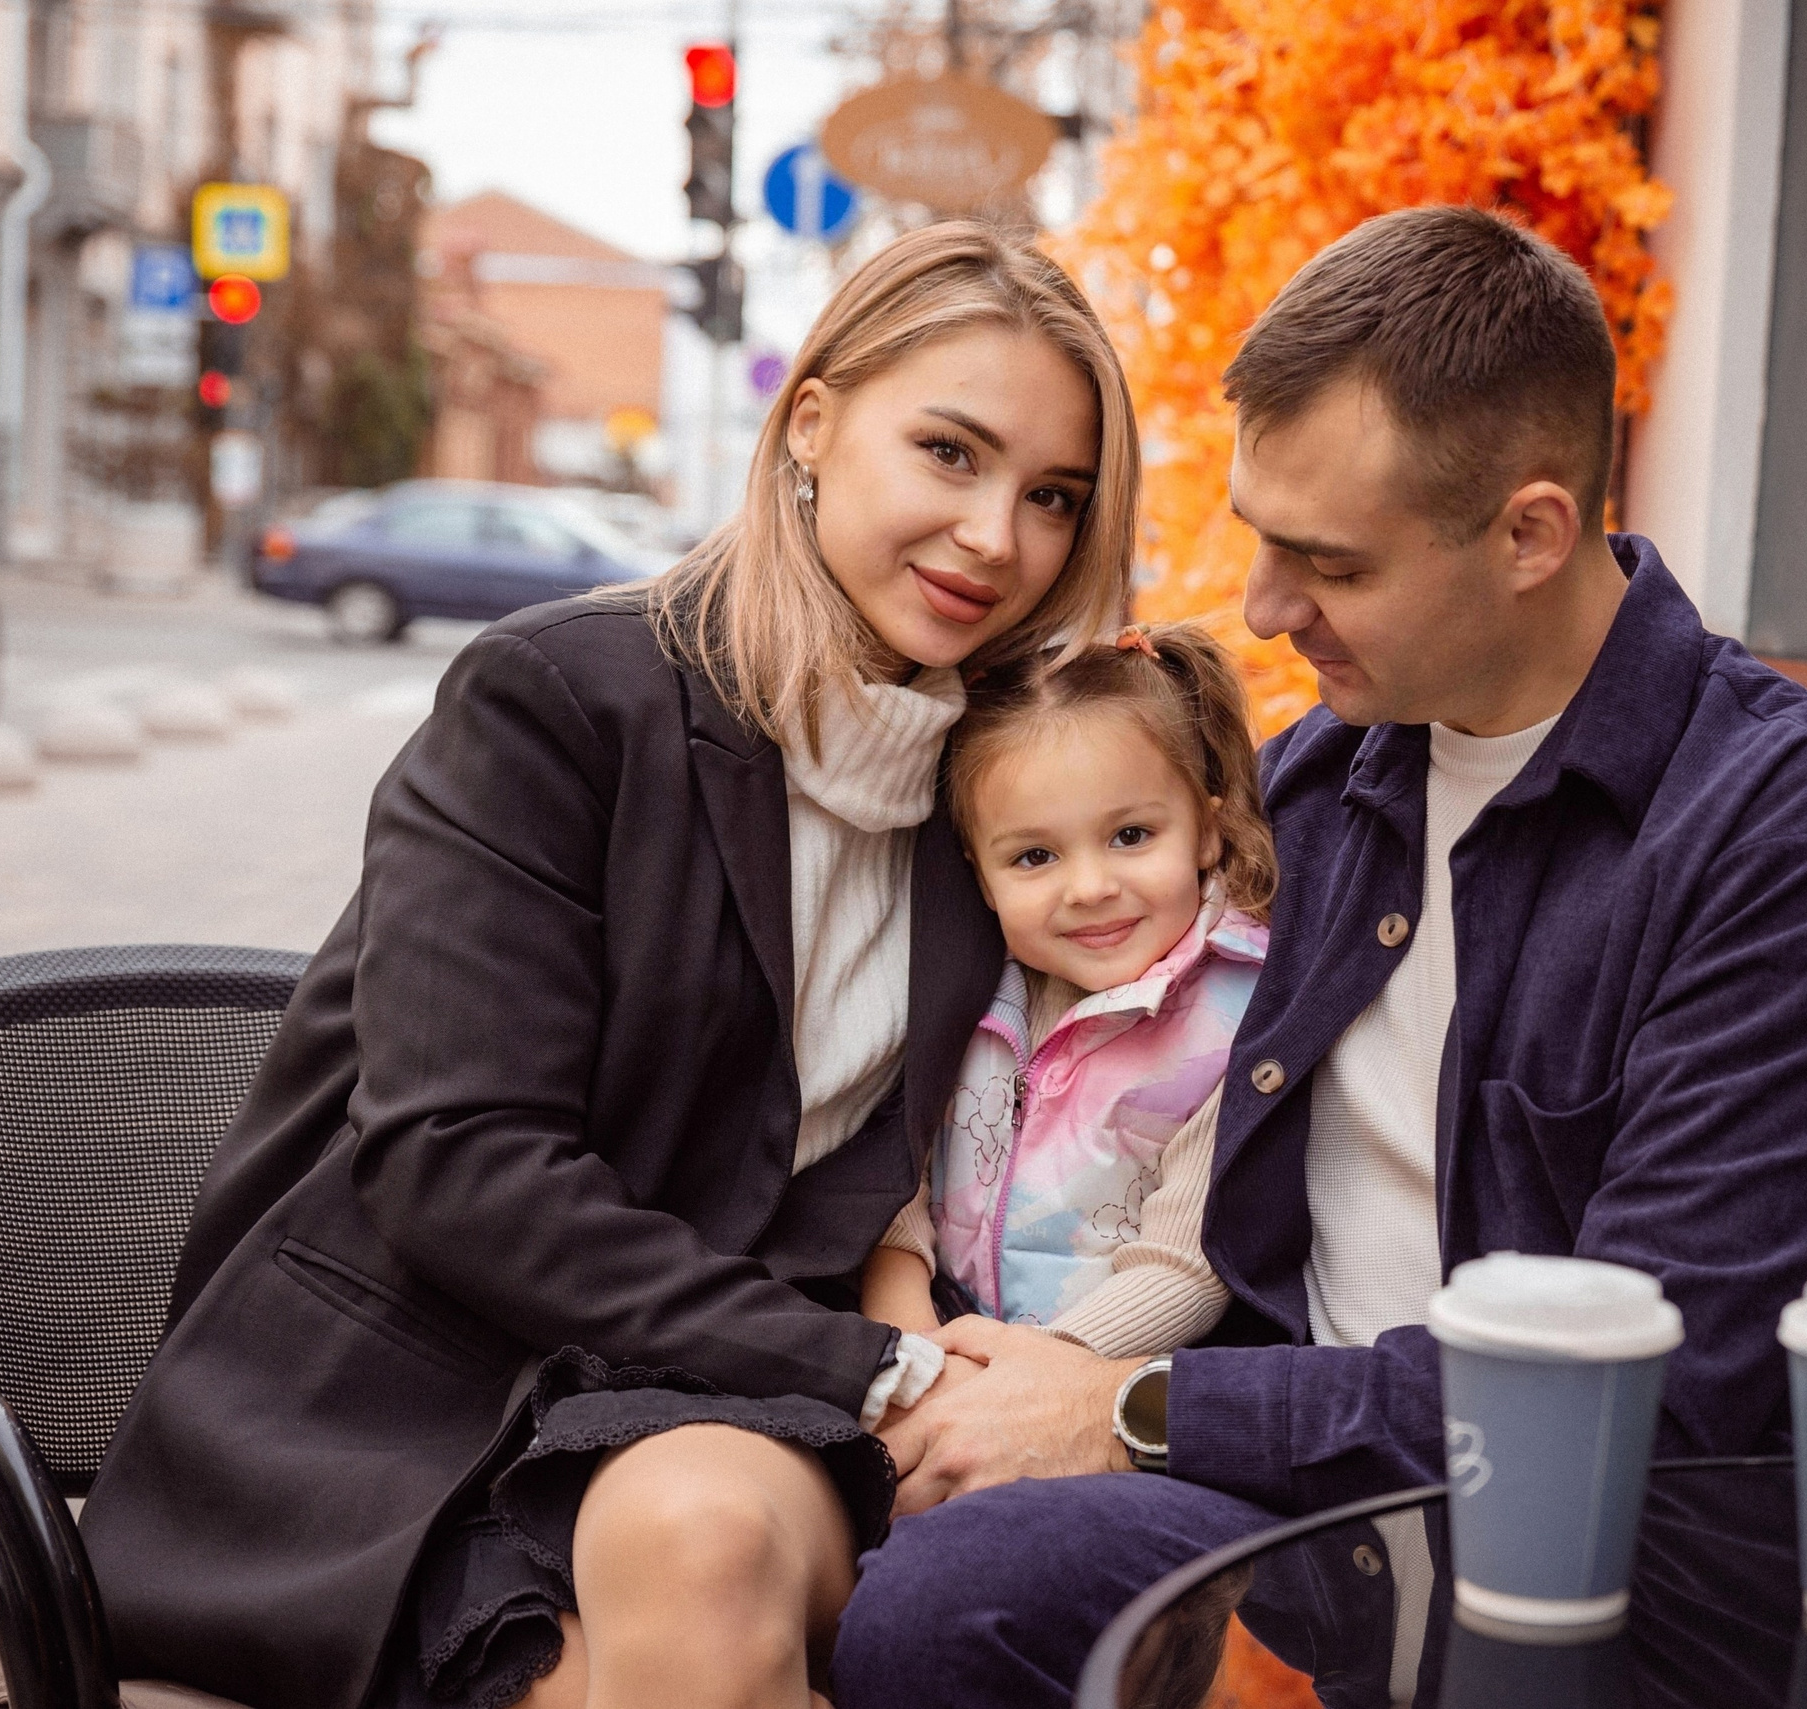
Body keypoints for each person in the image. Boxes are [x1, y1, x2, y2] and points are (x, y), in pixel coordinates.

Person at [832, 205, 1807, 1709]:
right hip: (1308, 1525)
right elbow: (1061, 1045)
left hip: (1620, 1564)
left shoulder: (1786, 837)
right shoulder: (1314, 788)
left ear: (1529, 535)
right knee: (919, 1586)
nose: (1264, 611)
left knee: (948, 1597)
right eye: (1260, 538)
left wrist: (1131, 1406)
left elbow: (1652, 1384)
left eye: (1329, 564)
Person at [77, 220, 1140, 1709]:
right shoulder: (564, 700)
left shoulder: (1010, 794)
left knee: (707, 1542)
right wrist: (864, 1365)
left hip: (724, 1415)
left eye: (1052, 497)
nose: (994, 537)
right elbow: (459, 1162)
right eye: (949, 453)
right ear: (812, 425)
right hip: (415, 1415)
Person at [858, 621, 1274, 1358]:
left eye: (1131, 836)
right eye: (1034, 856)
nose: (1089, 888)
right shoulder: (965, 987)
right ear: (980, 873)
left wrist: (1030, 1376)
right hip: (940, 1346)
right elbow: (898, 1174)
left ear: (1208, 832)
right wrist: (909, 1337)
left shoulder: (1238, 1021)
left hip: (1108, 1377)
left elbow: (1186, 1268)